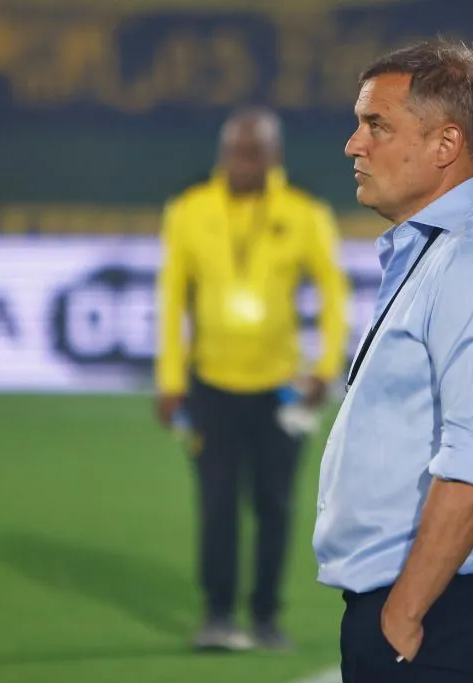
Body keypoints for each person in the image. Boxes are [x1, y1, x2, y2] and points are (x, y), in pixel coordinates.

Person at [312, 39, 473, 682]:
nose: (353, 144)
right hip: (429, 602)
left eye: (377, 124)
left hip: (445, 609)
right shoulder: (440, 250)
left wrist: (405, 609)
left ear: (445, 145)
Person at [155, 107, 350, 652]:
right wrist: (170, 379)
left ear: (273, 156)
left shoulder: (305, 213)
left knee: (275, 504)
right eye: (235, 151)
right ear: (223, 155)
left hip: (280, 388)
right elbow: (172, 300)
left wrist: (325, 368)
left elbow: (334, 294)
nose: (242, 162)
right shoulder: (189, 211)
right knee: (216, 502)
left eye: (253, 152)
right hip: (211, 385)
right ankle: (218, 613)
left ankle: (265, 616)